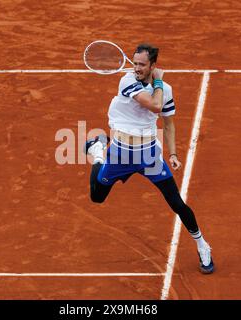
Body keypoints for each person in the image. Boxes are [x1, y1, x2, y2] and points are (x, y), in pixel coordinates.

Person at [84, 44, 214, 274]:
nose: (136, 68)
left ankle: (202, 245)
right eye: (135, 63)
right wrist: (158, 82)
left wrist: (172, 154)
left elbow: (169, 123)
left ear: (153, 65)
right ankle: (97, 152)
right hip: (120, 156)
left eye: (142, 65)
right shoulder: (127, 82)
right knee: (97, 197)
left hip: (149, 157)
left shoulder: (166, 90)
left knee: (176, 203)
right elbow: (154, 105)